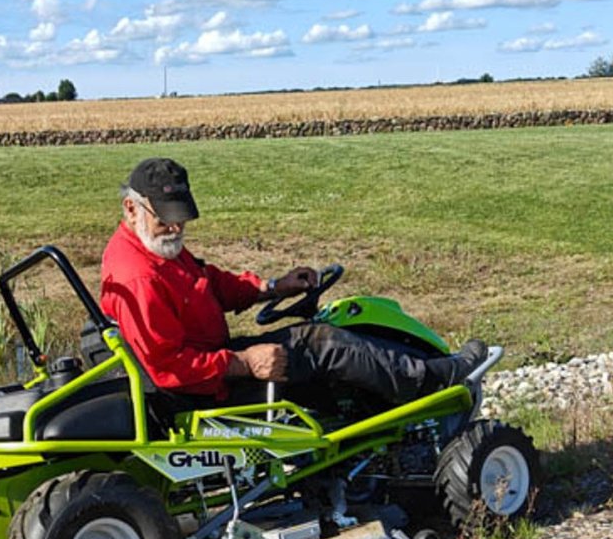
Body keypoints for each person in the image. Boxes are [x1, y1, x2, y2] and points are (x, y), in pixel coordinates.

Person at [98, 157, 487, 409]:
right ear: (131, 208)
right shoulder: (139, 275)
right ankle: (432, 380)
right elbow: (169, 366)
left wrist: (271, 286)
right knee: (324, 343)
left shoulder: (155, 247)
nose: (176, 227)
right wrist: (245, 363)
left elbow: (209, 283)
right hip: (201, 387)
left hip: (210, 363)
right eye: (166, 217)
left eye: (181, 217)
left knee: (314, 342)